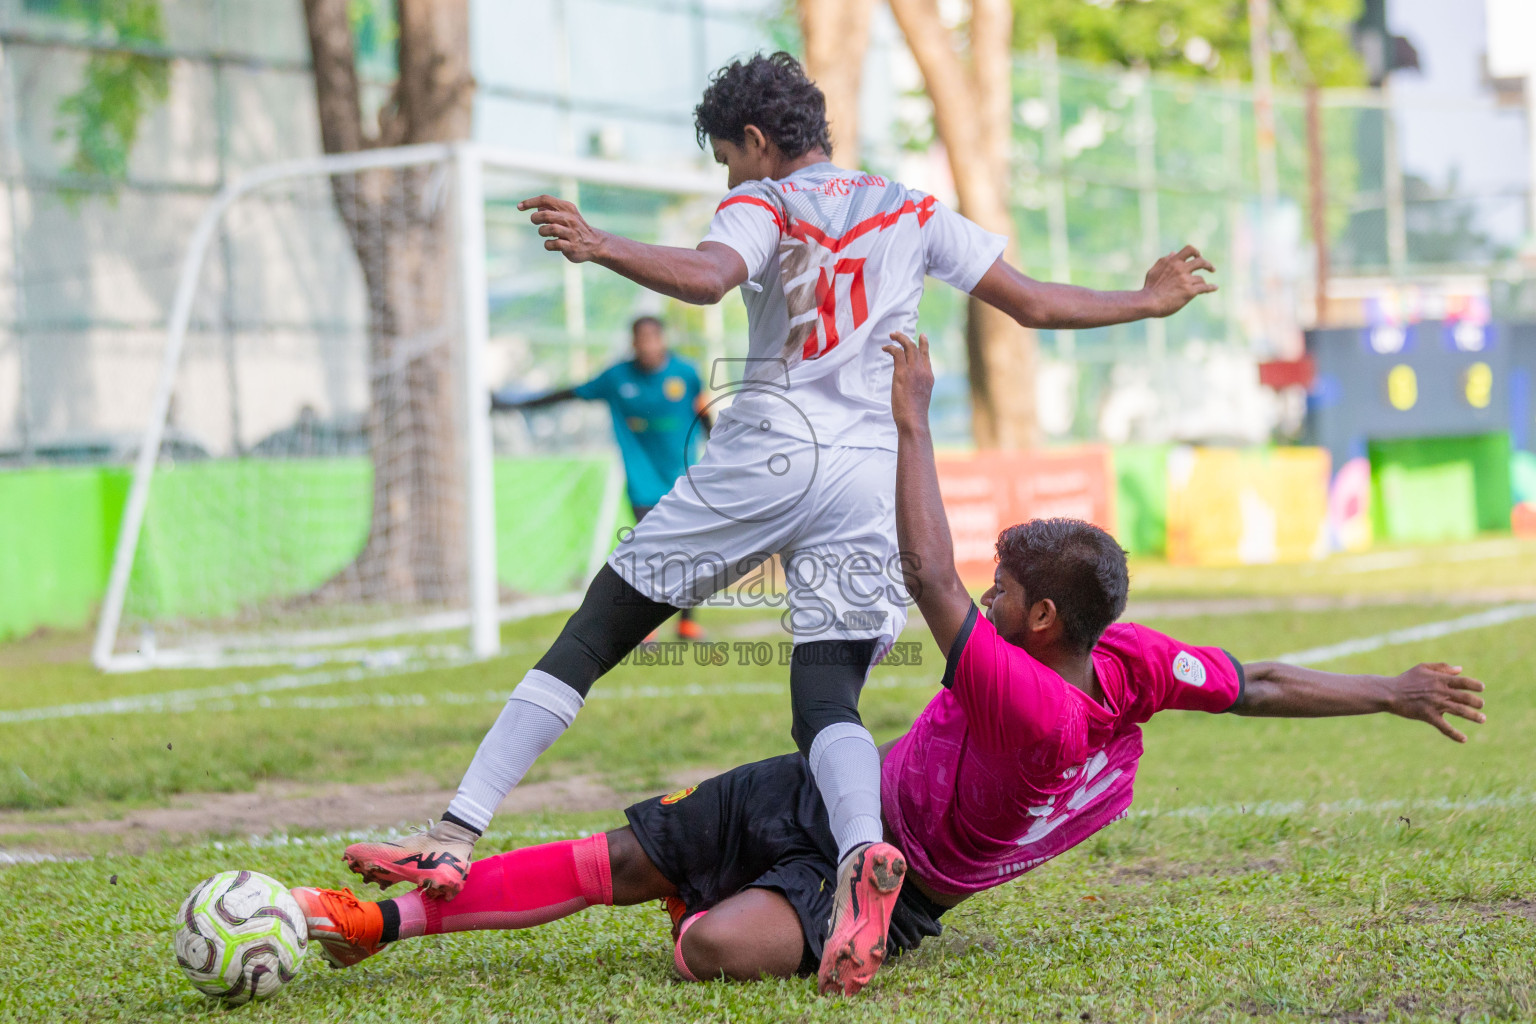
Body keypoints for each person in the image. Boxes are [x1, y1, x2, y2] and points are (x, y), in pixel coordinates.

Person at [343, 51, 1218, 995]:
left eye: (727, 156)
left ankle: (454, 833)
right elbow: (1036, 303)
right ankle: (858, 860)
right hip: (865, 473)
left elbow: (709, 276)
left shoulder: (766, 201)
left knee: (591, 638)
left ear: (757, 142)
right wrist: (1148, 298)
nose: (729, 176)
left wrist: (603, 246)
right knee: (826, 702)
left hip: (765, 454)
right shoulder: (913, 208)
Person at [298, 331, 1489, 991]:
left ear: (1033, 626)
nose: (984, 590)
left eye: (1003, 590)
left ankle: (761, 898)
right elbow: (1260, 682)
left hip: (898, 883)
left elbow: (924, 571)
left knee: (703, 949)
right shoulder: (1129, 662)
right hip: (834, 790)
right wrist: (1389, 690)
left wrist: (913, 417)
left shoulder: (1030, 707)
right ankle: (379, 922)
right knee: (613, 855)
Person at [493, 316, 710, 641]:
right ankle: (645, 626)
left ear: (663, 340)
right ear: (633, 343)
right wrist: (514, 405)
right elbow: (570, 393)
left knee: (690, 551)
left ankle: (687, 623)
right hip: (643, 481)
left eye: (654, 338)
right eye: (642, 339)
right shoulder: (617, 377)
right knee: (650, 552)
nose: (648, 345)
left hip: (683, 476)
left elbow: (705, 414)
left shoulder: (686, 373)